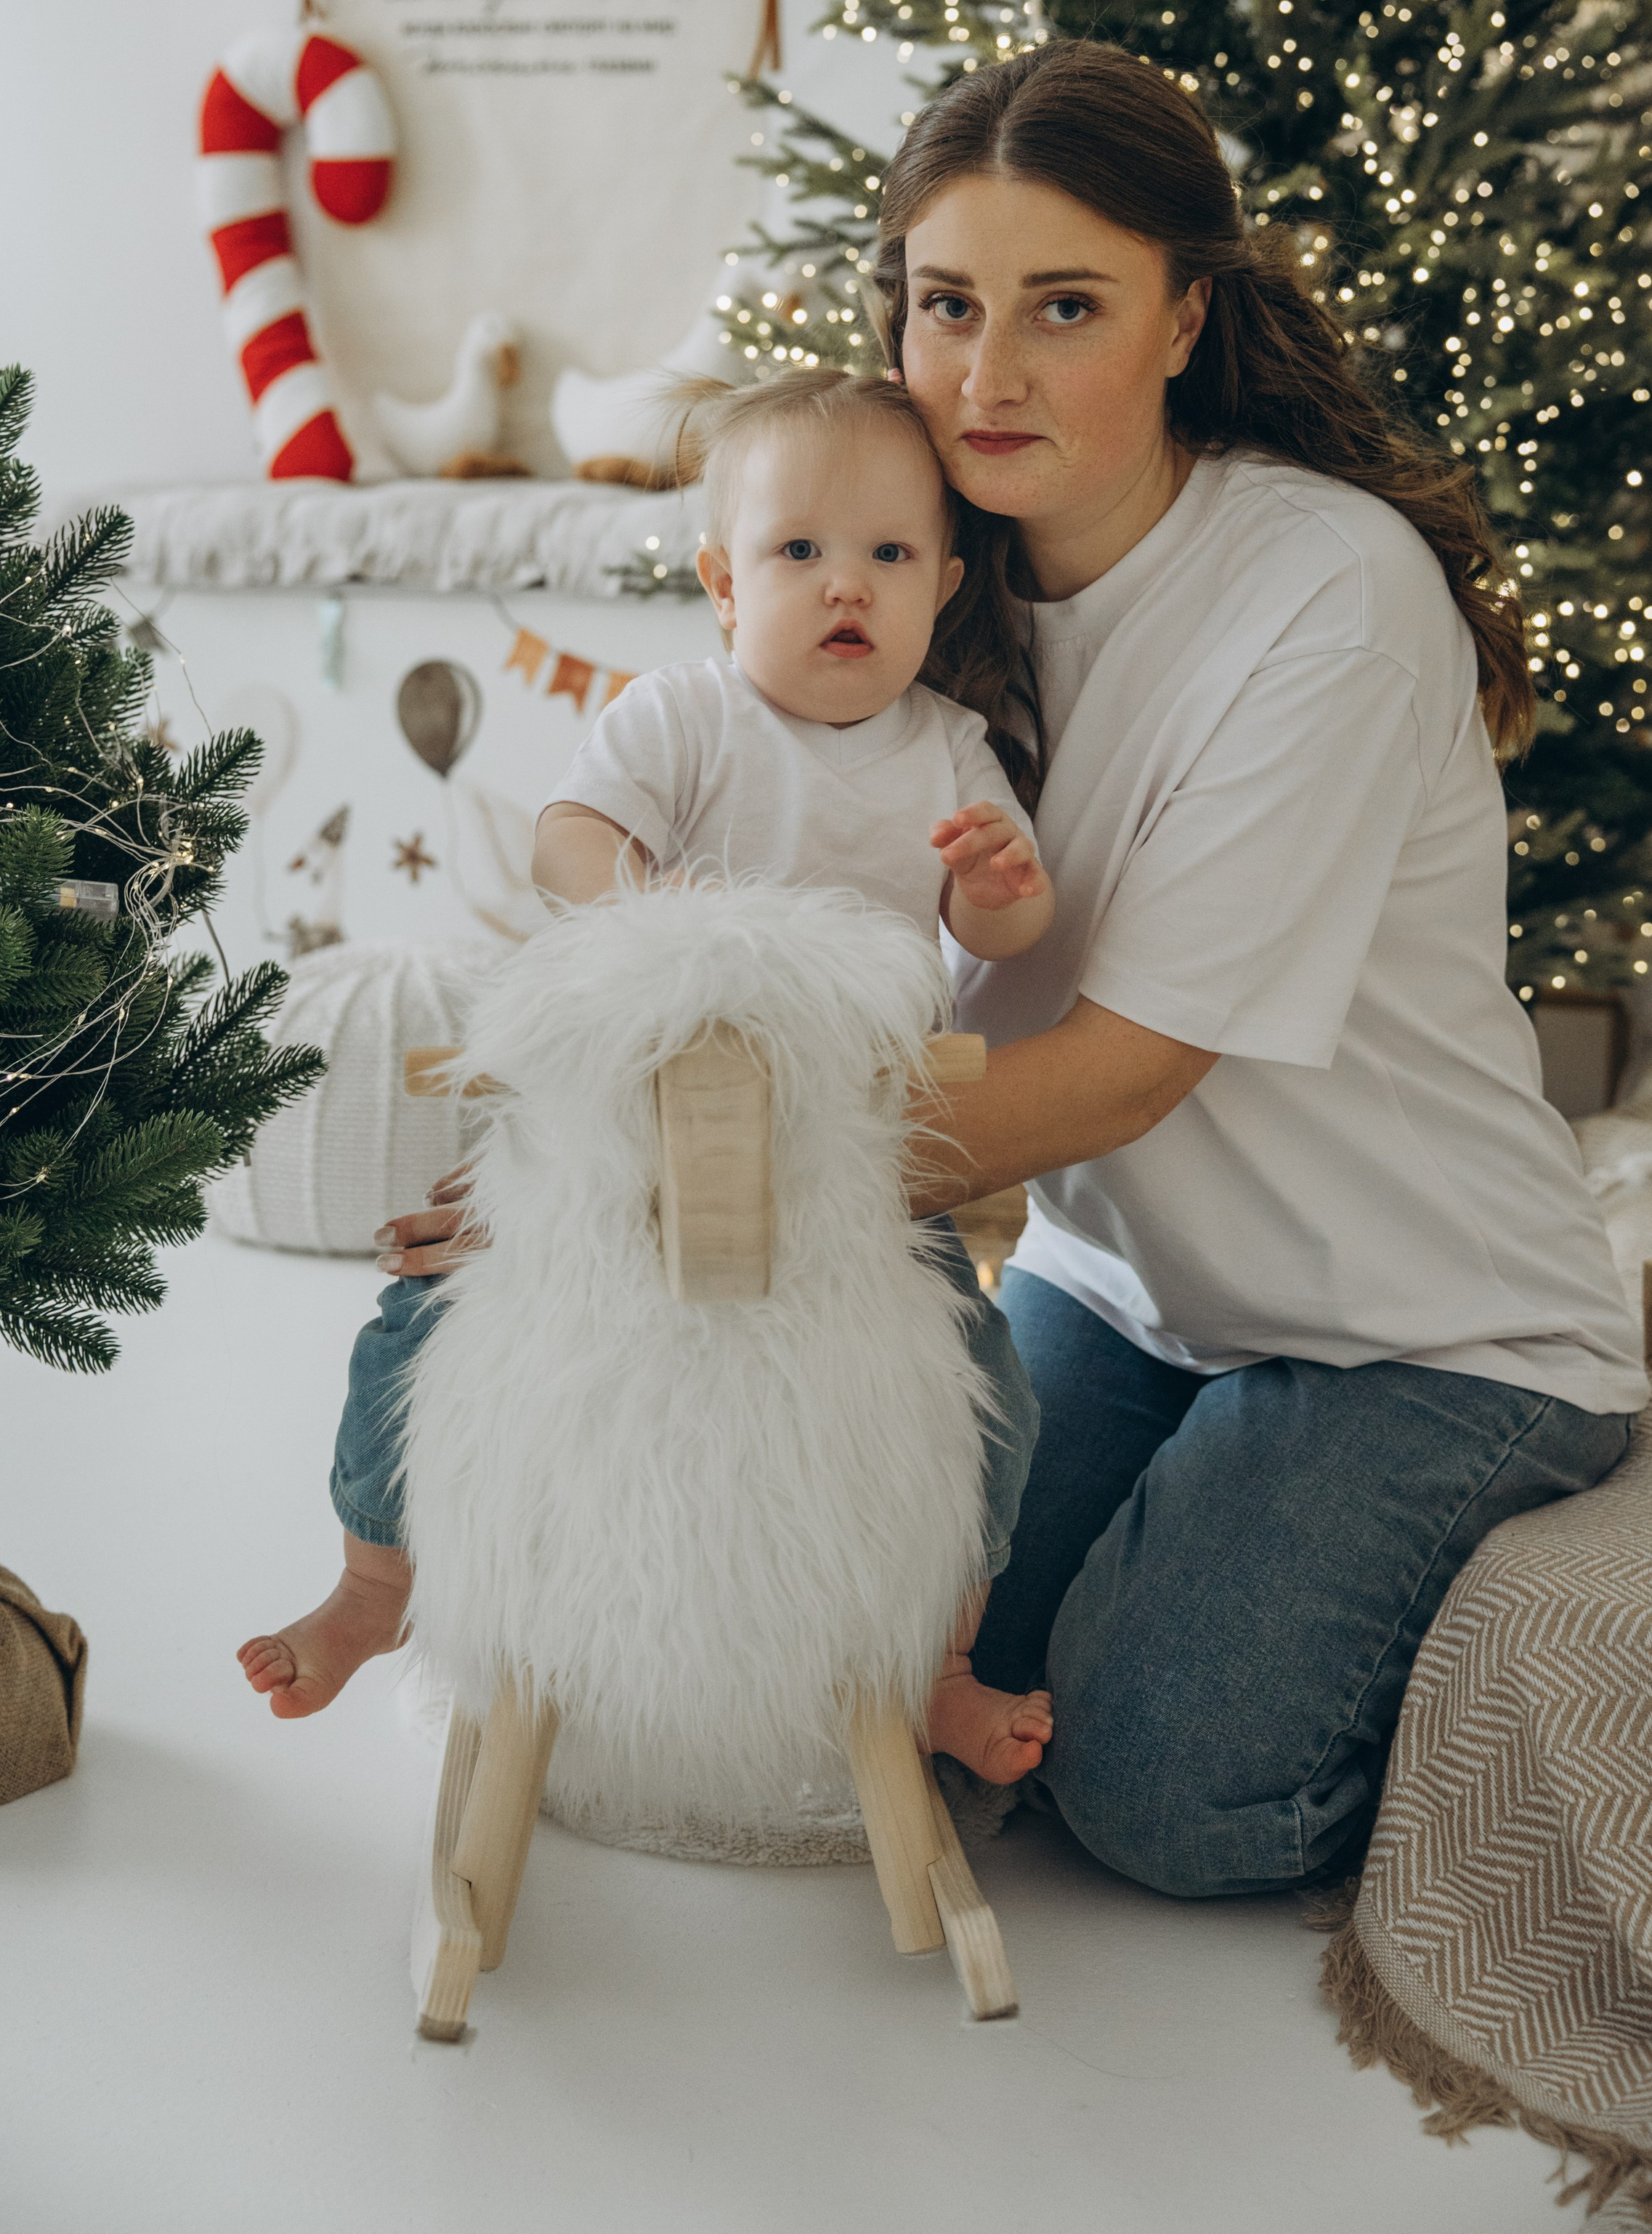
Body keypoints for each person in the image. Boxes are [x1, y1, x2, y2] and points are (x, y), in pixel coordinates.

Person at [373, 41, 1645, 1898]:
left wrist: (632, 1202)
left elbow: (1119, 1073)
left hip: (1417, 1325)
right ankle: (1199, 1516)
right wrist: (589, 1124)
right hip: (1128, 1290)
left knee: (1155, 1798)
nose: (985, 374)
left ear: (1184, 318)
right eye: (944, 306)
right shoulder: (909, 581)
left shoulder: (1324, 595)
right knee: (856, 1674)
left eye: (1064, 309)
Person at [240, 364, 1056, 1787]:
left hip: (846, 1178)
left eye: (885, 555)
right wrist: (653, 905)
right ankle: (378, 1581)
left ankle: (936, 1659)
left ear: (943, 581)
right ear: (723, 584)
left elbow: (1002, 933)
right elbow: (567, 838)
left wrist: (997, 888)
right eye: (796, 551)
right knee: (414, 1325)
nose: (843, 586)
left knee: (982, 1380)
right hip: (624, 1153)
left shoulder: (946, 753)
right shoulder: (684, 718)